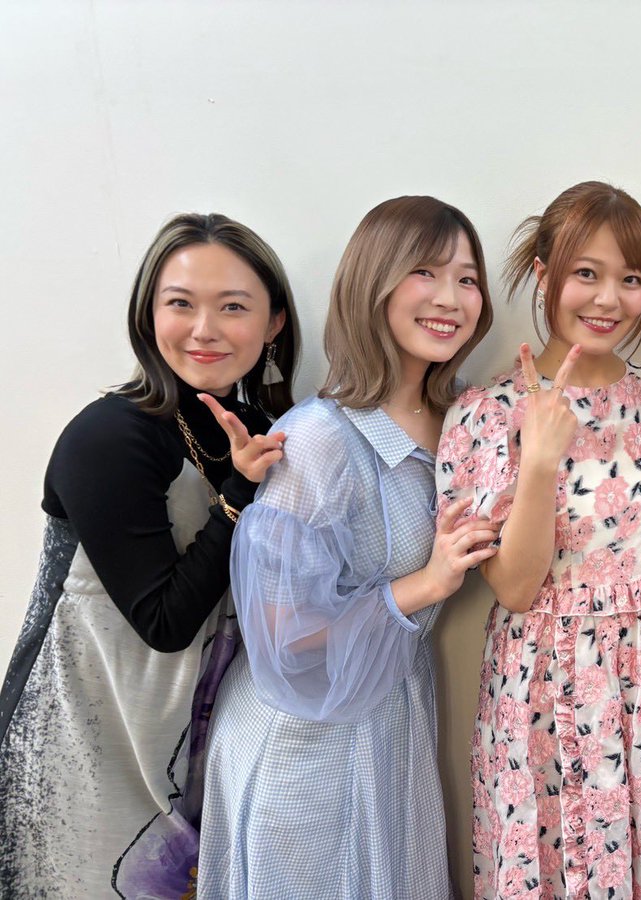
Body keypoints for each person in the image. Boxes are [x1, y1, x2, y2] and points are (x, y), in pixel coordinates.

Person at [197, 196, 496, 899]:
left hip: (389, 723)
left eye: (467, 278)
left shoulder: (463, 419)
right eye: (425, 272)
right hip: (303, 747)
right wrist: (425, 584)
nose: (450, 298)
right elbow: (280, 635)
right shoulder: (319, 439)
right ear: (374, 283)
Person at [437, 181, 641, 898]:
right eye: (586, 273)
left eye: (630, 279)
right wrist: (538, 462)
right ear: (544, 275)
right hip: (548, 685)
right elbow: (514, 587)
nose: (608, 299)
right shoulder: (488, 413)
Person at [0, 213, 298, 897]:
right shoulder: (110, 436)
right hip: (81, 763)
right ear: (148, 313)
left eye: (234, 307)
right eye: (181, 303)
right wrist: (237, 495)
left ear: (274, 323)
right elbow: (164, 623)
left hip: (193, 760)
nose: (204, 329)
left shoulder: (264, 431)